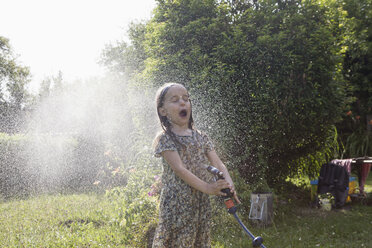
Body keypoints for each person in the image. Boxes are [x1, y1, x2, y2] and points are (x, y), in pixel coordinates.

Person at [152, 82, 240, 248]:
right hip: (177, 204)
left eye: (186, 98)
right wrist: (208, 187)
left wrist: (229, 184)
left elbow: (218, 163)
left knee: (200, 240)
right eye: (175, 100)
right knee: (180, 242)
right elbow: (179, 169)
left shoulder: (200, 136)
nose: (183, 103)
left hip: (200, 202)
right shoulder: (165, 139)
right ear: (163, 111)